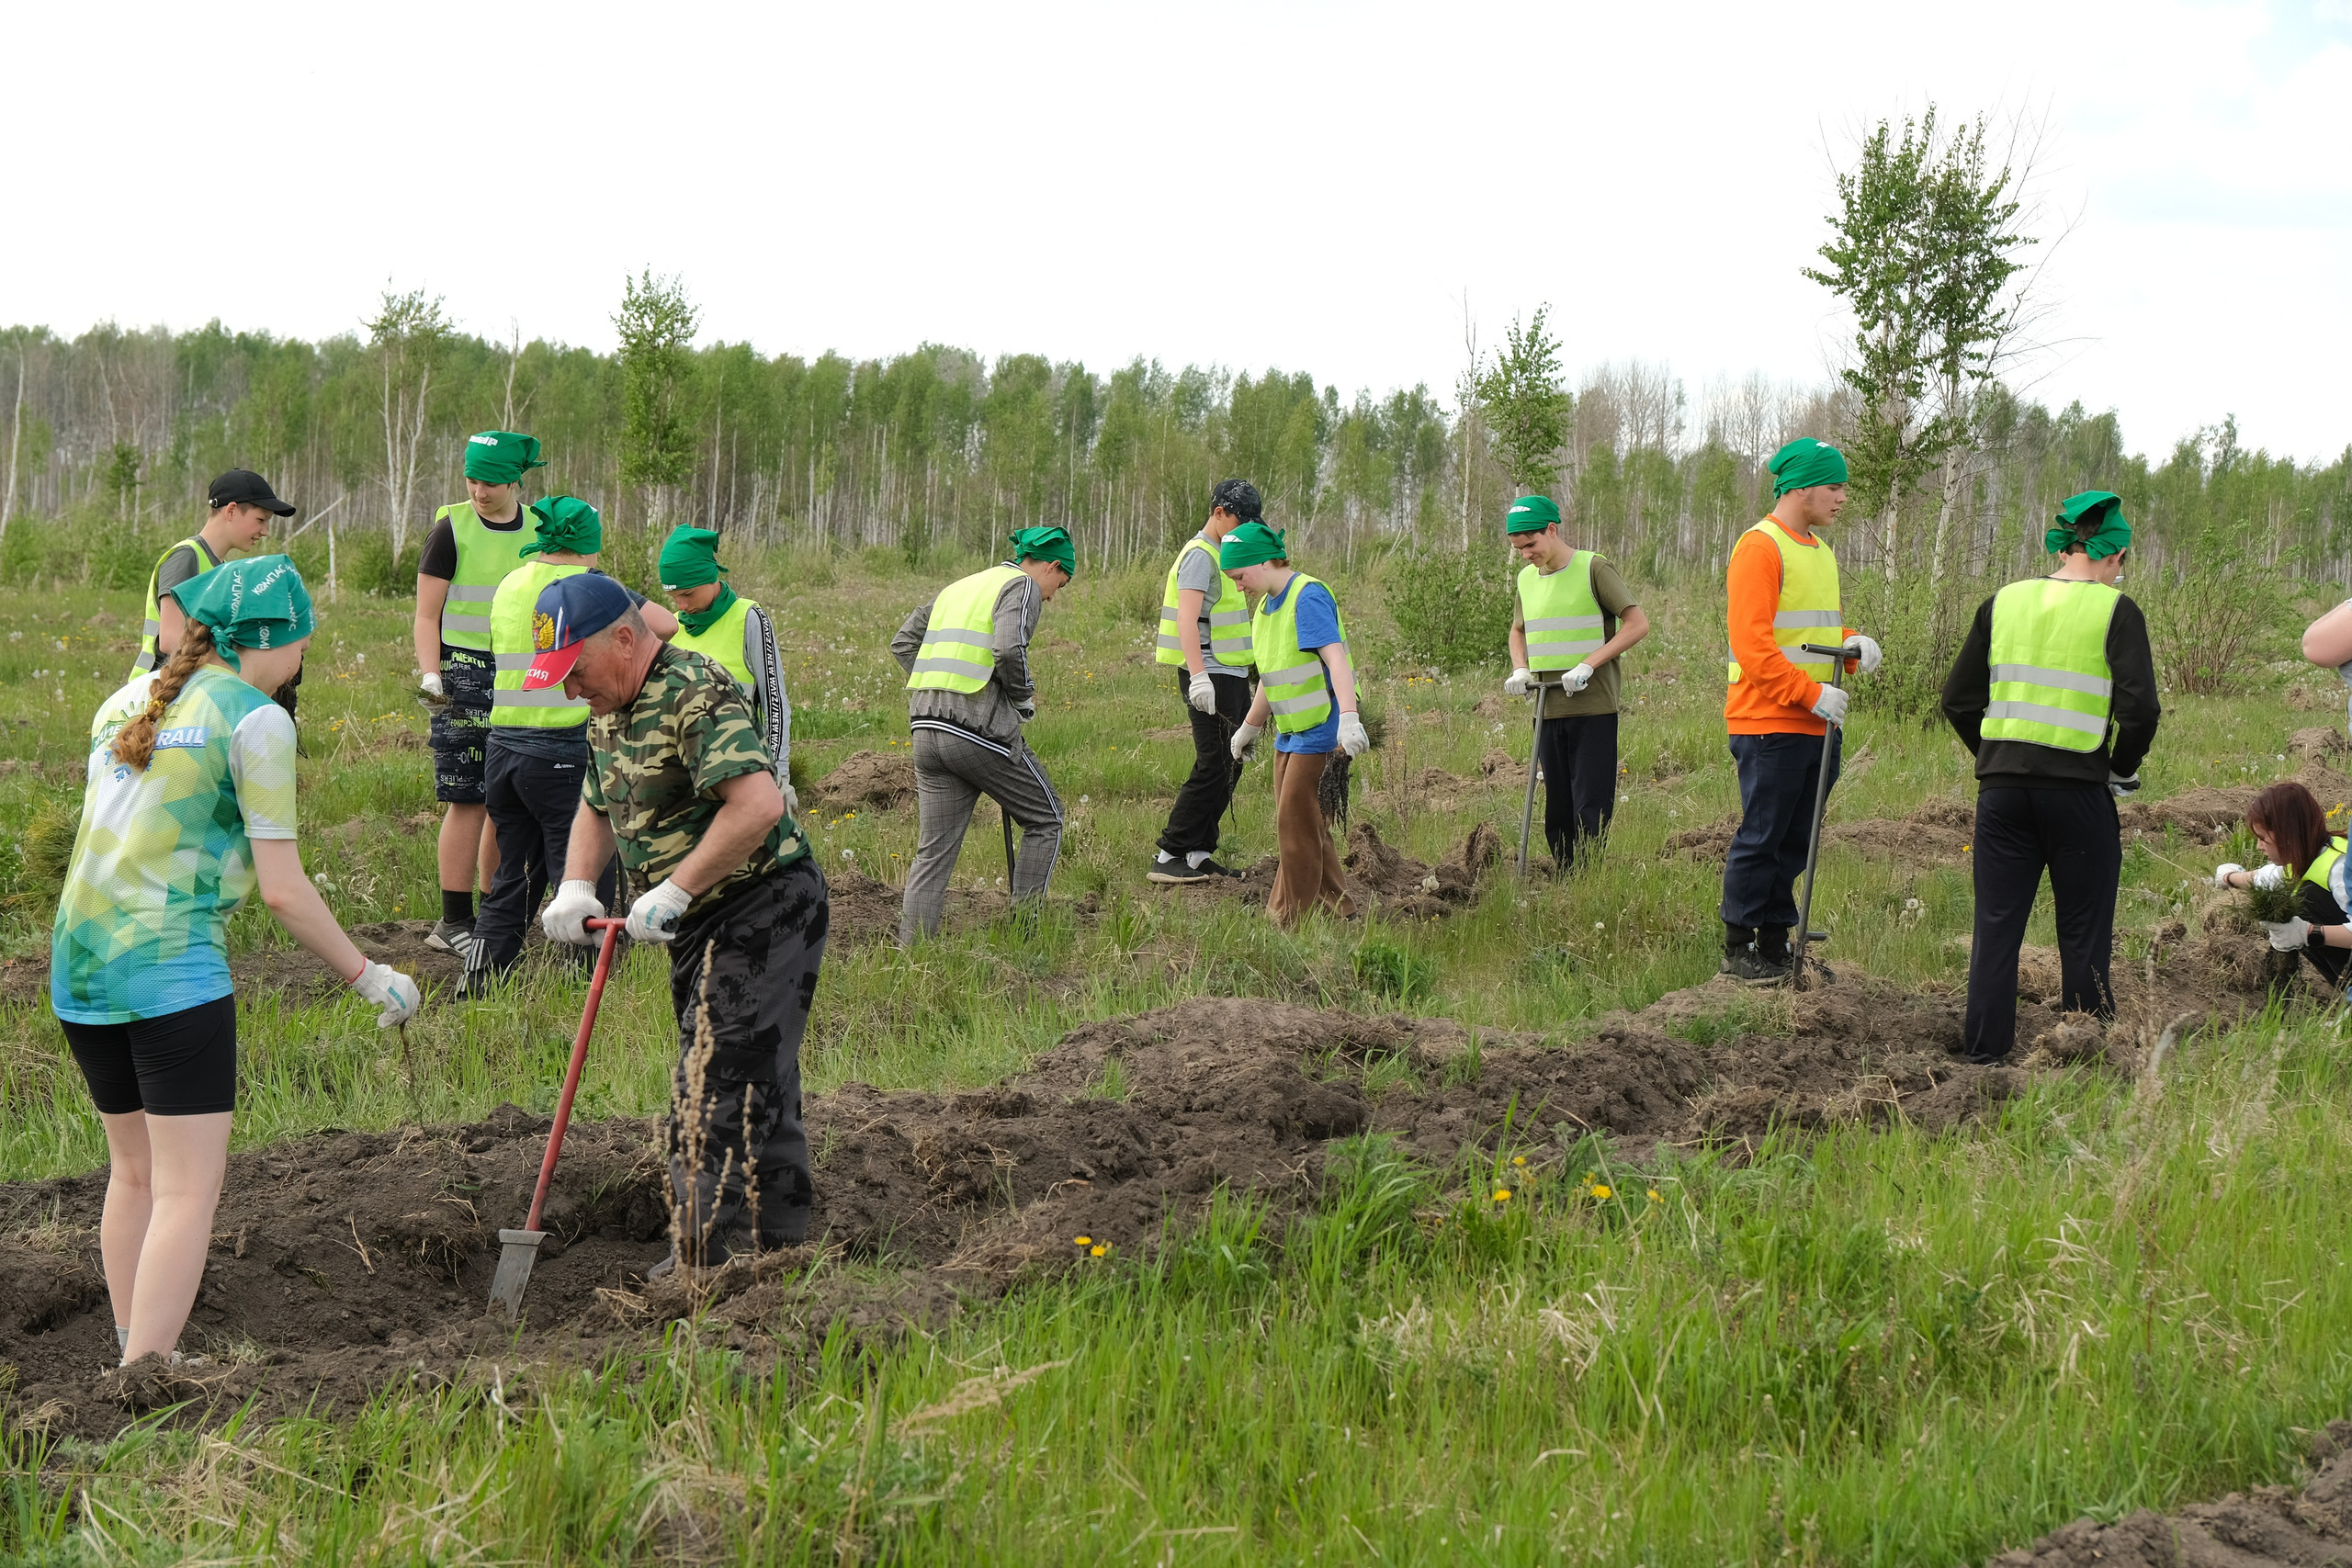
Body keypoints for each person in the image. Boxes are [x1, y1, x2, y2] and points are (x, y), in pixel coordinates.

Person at [53, 556, 418, 1366]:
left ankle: (129, 1349)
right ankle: (147, 1375)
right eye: (303, 641)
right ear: (270, 638)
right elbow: (282, 890)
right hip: (169, 970)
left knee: (133, 1172)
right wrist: (370, 975)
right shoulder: (257, 720)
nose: (303, 656)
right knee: (187, 1188)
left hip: (79, 963)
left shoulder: (122, 700)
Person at [531, 574, 821, 1275]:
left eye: (576, 670)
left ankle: (699, 1262)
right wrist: (576, 883)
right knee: (756, 1072)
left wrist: (676, 887)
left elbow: (759, 806)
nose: (570, 690)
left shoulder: (694, 691)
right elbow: (597, 799)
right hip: (697, 920)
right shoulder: (608, 704)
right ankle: (783, 1245)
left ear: (624, 639)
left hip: (763, 904)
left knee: (713, 1081)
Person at [1941, 490, 2161, 1063]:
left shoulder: (2003, 602)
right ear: (2114, 555)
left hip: (2002, 795)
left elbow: (1957, 701)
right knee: (2084, 931)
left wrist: (1997, 756)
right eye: (2121, 564)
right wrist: (2120, 769)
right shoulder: (2116, 610)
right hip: (2079, 795)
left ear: (2065, 548)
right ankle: (2083, 1056)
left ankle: (1984, 1057)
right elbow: (2141, 711)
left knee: (1995, 929)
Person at [467, 497, 678, 990]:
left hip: (503, 747)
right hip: (561, 748)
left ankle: (479, 978)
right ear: (587, 544)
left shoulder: (509, 583)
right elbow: (666, 625)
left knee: (512, 875)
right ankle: (582, 983)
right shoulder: (588, 585)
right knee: (582, 873)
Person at [1719, 438, 1882, 985]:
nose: (1842, 498)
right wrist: (1809, 693)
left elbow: (1811, 631)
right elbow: (1754, 646)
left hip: (1816, 721)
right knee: (1763, 835)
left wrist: (1849, 643)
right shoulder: (1760, 547)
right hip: (1769, 721)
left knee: (1796, 839)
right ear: (1801, 488)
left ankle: (1774, 941)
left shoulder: (1819, 550)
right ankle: (1738, 946)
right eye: (1834, 487)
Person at [891, 527, 1074, 943]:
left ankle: (911, 953)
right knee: (1046, 819)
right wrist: (1021, 697)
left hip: (925, 729)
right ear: (1052, 567)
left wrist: (941, 685)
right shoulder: (1022, 586)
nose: (1051, 597)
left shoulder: (961, 587)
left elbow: (903, 643)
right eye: (1060, 585)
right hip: (977, 733)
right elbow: (1008, 649)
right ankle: (1023, 936)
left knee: (933, 853)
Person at [413, 431, 546, 963]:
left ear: (515, 481)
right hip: (462, 675)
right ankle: (453, 920)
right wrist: (431, 675)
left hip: (520, 676)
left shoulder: (539, 529)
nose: (478, 491)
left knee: (504, 799)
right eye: (471, 479)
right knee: (466, 797)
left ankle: (494, 915)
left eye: (490, 482)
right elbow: (427, 615)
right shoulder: (451, 529)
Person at [1221, 522, 1370, 925]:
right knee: (1308, 826)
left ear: (1264, 562)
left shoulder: (1308, 597)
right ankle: (1342, 912)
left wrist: (1349, 718)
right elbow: (1272, 679)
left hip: (1323, 728)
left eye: (1240, 576)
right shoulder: (1266, 610)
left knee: (1294, 827)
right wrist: (1250, 727)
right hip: (1290, 731)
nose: (1238, 586)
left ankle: (1289, 921)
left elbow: (1335, 659)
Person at [1499, 494, 1651, 871]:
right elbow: (1518, 630)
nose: (1526, 555)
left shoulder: (1593, 568)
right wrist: (1520, 669)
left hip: (1593, 705)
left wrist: (1589, 664)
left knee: (1590, 802)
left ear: (1552, 530)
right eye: (1519, 549)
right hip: (1546, 706)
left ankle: (1588, 875)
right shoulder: (1526, 579)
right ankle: (1565, 876)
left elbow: (1637, 624)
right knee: (1558, 804)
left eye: (1531, 544)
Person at [1148, 479, 1261, 884]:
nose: (1244, 531)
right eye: (1240, 522)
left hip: (1232, 672)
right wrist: (1198, 677)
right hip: (1210, 674)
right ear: (1219, 513)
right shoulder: (1200, 556)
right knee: (1213, 763)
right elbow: (1186, 619)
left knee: (1233, 761)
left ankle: (1197, 853)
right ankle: (1170, 854)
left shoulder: (1225, 553)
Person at [658, 525, 797, 809]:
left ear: (710, 577)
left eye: (688, 594)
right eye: (674, 597)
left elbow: (775, 703)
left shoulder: (749, 618)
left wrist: (778, 774)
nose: (681, 605)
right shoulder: (672, 628)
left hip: (741, 776)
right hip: (685, 785)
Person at [130, 469, 290, 676]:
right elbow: (171, 641)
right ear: (231, 511)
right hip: (156, 688)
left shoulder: (220, 568)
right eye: (261, 520)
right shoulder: (186, 558)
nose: (265, 531)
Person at [2215, 782, 2352, 992]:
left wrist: (2308, 933)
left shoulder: (2340, 868)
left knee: (2306, 899)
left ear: (2288, 834)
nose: (2259, 846)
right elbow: (2265, 877)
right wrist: (2229, 877)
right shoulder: (2307, 858)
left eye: (2263, 838)